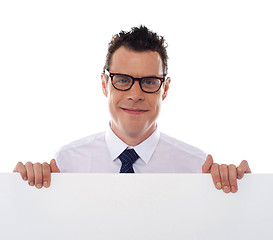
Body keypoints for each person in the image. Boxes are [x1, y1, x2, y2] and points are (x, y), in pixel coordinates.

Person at [13, 25, 251, 193]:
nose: (135, 95)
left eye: (148, 82)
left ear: (165, 89)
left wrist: (245, 197)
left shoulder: (198, 168)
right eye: (123, 80)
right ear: (105, 85)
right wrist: (18, 193)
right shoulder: (65, 164)